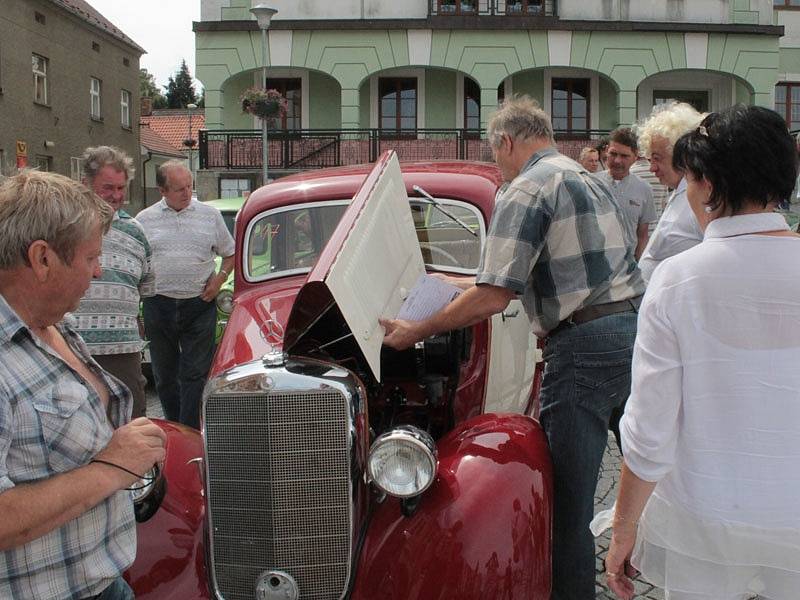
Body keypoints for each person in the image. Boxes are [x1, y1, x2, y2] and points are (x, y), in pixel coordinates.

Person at [381, 95, 645, 600]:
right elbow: (531, 273)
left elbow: (497, 295)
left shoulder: (524, 187)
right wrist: (454, 281)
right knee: (647, 474)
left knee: (566, 506)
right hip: (631, 333)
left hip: (581, 350)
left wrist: (415, 330)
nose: (497, 165)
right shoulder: (588, 178)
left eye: (495, 153)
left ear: (506, 141)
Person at [605, 105, 800, 600]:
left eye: (689, 178)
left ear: (709, 185)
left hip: (706, 514)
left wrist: (624, 525)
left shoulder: (677, 278)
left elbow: (649, 428)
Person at [0, 170, 167, 600]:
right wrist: (113, 467)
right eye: (91, 257)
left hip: (100, 580)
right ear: (42, 259)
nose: (99, 271)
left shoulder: (57, 325)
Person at [137, 161, 234, 429]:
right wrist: (137, 309)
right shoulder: (144, 220)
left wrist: (219, 280)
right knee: (165, 375)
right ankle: (174, 426)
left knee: (194, 374)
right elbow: (136, 262)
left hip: (199, 304)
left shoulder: (209, 215)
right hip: (159, 304)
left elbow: (230, 253)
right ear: (162, 190)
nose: (187, 193)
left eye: (190, 186)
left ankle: (189, 430)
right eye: (179, 189)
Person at [72, 146, 154, 419]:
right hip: (73, 347)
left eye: (121, 188)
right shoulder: (65, 226)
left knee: (132, 423)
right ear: (86, 184)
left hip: (123, 351)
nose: (117, 196)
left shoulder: (135, 231)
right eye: (108, 188)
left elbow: (146, 285)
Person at [636, 102, 705, 282]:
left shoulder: (702, 199)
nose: (651, 168)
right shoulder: (679, 192)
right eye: (650, 159)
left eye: (657, 158)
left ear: (684, 155)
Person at [593, 127, 657, 259]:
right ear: (606, 152)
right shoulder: (591, 183)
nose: (617, 160)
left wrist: (639, 267)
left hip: (628, 267)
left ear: (635, 156)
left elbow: (642, 235)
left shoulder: (644, 189)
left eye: (624, 156)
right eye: (613, 154)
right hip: (597, 266)